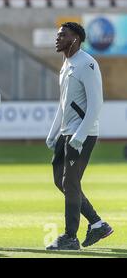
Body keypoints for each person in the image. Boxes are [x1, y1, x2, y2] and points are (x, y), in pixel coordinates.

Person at [45, 22, 113, 251]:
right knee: (60, 181)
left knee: (71, 183)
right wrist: (53, 132)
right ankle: (97, 224)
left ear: (75, 39)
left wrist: (80, 135)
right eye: (57, 35)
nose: (57, 38)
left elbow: (96, 104)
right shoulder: (67, 65)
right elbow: (63, 105)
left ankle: (70, 237)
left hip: (81, 136)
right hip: (66, 134)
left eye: (62, 35)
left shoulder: (87, 64)